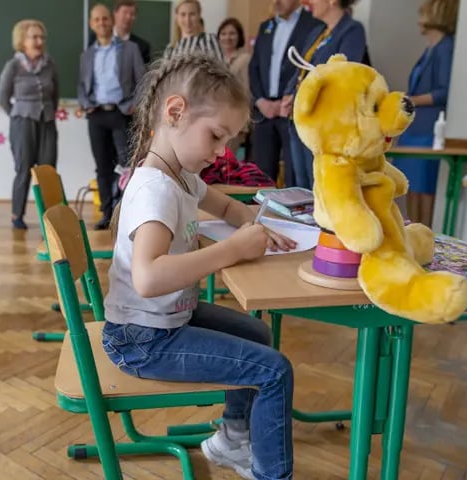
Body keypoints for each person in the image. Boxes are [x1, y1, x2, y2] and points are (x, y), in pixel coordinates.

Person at [102, 53, 297, 480]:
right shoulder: (156, 190)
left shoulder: (181, 175)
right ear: (175, 113)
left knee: (258, 334)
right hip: (143, 340)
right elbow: (149, 277)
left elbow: (224, 204)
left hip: (162, 322)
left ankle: (230, 439)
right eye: (215, 136)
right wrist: (232, 251)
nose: (221, 151)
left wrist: (254, 221)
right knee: (274, 370)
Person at [281, 0, 369, 189]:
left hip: (324, 123)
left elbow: (343, 74)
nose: (309, 2)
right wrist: (289, 94)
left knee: (319, 185)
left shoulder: (352, 30)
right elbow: (301, 68)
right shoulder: (318, 32)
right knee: (301, 184)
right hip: (301, 118)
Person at [77, 3, 145, 230]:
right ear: (91, 24)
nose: (101, 23)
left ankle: (127, 212)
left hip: (121, 113)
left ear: (112, 20)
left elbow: (143, 81)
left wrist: (134, 105)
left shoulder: (130, 49)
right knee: (102, 166)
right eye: (96, 20)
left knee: (126, 165)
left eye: (105, 19)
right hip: (96, 115)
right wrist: (85, 104)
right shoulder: (87, 55)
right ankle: (106, 213)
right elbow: (82, 85)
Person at [391, 0, 458, 228]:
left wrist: (410, 100)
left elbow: (444, 91)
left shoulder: (446, 47)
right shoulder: (430, 48)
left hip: (428, 130)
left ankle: (424, 235)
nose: (419, 14)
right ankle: (411, 232)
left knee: (425, 188)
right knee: (411, 187)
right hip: (414, 128)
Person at [249, 0, 322, 186]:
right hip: (265, 113)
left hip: (294, 113)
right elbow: (254, 67)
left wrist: (292, 100)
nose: (276, 2)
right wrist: (260, 101)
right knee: (261, 178)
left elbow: (315, 69)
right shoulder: (267, 26)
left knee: (296, 179)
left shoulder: (314, 25)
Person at [0, 19, 59, 230]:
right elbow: (3, 96)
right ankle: (17, 216)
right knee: (23, 170)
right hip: (22, 122)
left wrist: (49, 113)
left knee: (48, 171)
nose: (39, 41)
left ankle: (50, 220)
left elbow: (55, 95)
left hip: (47, 121)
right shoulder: (13, 65)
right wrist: (17, 116)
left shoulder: (49, 64)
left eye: (42, 37)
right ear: (22, 41)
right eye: (34, 37)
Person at [217, 17, 251, 156]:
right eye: (224, 34)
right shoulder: (216, 59)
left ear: (239, 36)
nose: (227, 37)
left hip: (235, 119)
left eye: (232, 33)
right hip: (216, 119)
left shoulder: (245, 59)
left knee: (229, 160)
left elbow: (246, 91)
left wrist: (244, 121)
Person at [87, 0, 151, 64]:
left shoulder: (142, 47)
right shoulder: (95, 40)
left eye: (132, 14)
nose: (128, 17)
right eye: (125, 12)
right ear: (115, 13)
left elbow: (143, 73)